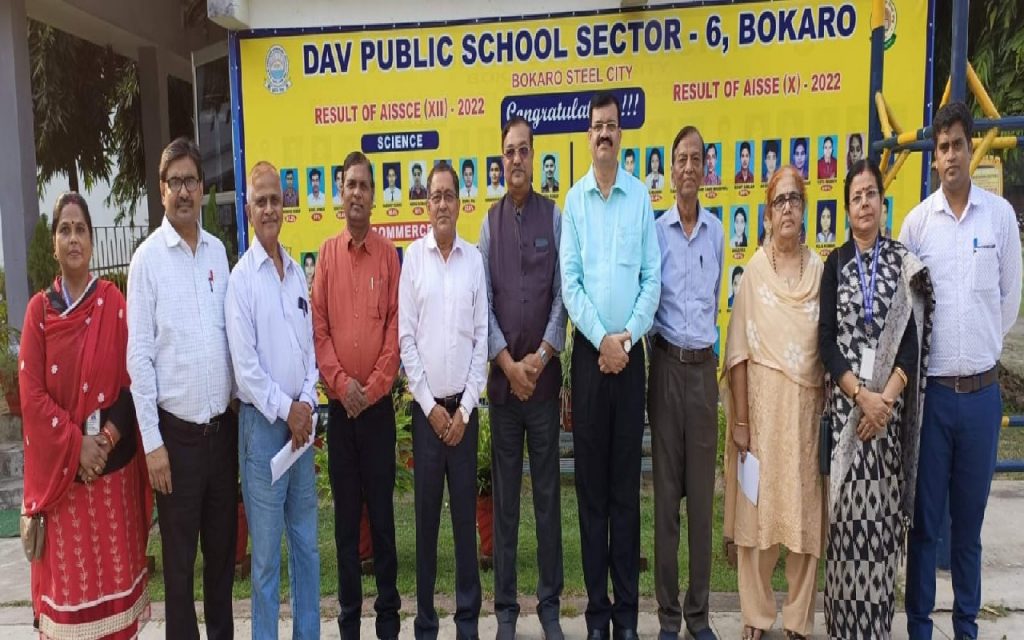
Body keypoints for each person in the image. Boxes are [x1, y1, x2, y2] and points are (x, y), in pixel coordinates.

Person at [901, 102, 1022, 640]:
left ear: (972, 148)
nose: (951, 155)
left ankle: (967, 627)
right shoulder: (917, 225)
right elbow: (907, 312)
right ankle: (920, 627)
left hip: (980, 399)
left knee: (968, 527)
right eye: (942, 147)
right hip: (931, 399)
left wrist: (981, 349)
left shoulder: (998, 218)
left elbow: (1008, 301)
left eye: (958, 144)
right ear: (934, 157)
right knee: (925, 524)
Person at [20, 193, 151, 639]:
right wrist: (78, 446)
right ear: (54, 245)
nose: (73, 238)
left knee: (116, 613)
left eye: (80, 230)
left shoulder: (113, 303)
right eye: (65, 230)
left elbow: (132, 381)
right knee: (69, 616)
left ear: (91, 241)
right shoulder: (39, 312)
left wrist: (106, 441)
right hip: (65, 488)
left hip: (111, 484)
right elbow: (31, 396)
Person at [560, 92, 661, 640]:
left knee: (626, 492)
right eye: (597, 126)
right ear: (588, 136)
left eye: (611, 126)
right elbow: (571, 284)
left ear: (621, 135)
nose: (604, 134)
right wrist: (602, 340)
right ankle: (596, 616)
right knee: (592, 494)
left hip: (630, 354)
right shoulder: (575, 202)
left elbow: (652, 280)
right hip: (589, 358)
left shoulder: (639, 198)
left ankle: (626, 618)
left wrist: (626, 338)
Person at [818, 158, 933, 639]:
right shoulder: (836, 263)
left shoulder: (903, 264)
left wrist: (884, 400)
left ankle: (876, 629)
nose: (864, 203)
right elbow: (826, 340)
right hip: (851, 418)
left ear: (882, 203)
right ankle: (844, 628)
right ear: (847, 209)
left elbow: (912, 340)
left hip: (886, 423)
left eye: (870, 194)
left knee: (881, 530)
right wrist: (861, 396)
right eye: (856, 197)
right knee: (846, 528)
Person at [127, 137, 236, 640]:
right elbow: (139, 359)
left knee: (222, 561)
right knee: (179, 569)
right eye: (176, 182)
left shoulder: (218, 252)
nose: (185, 191)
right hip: (176, 443)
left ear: (203, 187)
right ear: (162, 190)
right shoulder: (146, 262)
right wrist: (153, 444)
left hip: (221, 436)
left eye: (192, 180)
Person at [720, 165, 825, 640]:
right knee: (758, 518)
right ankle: (757, 615)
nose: (787, 208)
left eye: (794, 200)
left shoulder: (819, 271)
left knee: (804, 516)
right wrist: (741, 422)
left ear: (804, 209)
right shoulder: (754, 273)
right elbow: (738, 352)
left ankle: (799, 618)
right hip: (761, 415)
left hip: (805, 415)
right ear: (767, 213)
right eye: (779, 200)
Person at [478, 116, 567, 640]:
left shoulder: (553, 217)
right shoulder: (488, 225)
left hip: (544, 386)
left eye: (523, 151)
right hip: (504, 392)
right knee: (506, 504)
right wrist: (508, 364)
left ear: (534, 157)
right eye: (509, 151)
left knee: (548, 500)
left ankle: (550, 607)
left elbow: (561, 293)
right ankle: (507, 611)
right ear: (502, 159)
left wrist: (541, 356)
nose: (516, 159)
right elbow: (483, 303)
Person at [226, 161, 320, 640]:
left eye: (275, 200)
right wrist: (290, 411)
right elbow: (246, 370)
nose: (268, 209)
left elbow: (311, 352)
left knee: (307, 547)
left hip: (300, 432)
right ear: (248, 210)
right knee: (265, 561)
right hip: (264, 431)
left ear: (285, 206)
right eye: (260, 201)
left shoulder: (297, 273)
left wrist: (307, 404)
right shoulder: (241, 281)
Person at [313, 151, 403, 640]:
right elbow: (319, 329)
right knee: (346, 526)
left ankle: (388, 620)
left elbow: (395, 330)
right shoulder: (327, 255)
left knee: (383, 521)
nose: (356, 193)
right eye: (349, 184)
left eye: (364, 185)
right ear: (340, 193)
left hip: (377, 411)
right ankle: (349, 622)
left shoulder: (389, 257)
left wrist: (371, 388)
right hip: (340, 411)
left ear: (373, 195)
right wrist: (342, 385)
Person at [399, 162, 488, 640]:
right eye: (434, 196)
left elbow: (481, 340)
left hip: (464, 416)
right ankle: (426, 623)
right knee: (427, 523)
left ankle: (467, 622)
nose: (441, 204)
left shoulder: (474, 261)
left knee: (464, 523)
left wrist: (464, 409)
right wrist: (431, 407)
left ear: (459, 201)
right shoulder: (414, 261)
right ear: (426, 204)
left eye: (448, 195)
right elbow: (406, 340)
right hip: (427, 414)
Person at [648, 125, 724, 640]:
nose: (690, 167)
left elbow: (716, 297)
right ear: (671, 169)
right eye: (682, 159)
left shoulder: (716, 232)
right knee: (666, 504)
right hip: (666, 370)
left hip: (703, 374)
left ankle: (698, 616)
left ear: (705, 168)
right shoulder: (656, 233)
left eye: (697, 159)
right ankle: (668, 616)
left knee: (700, 504)